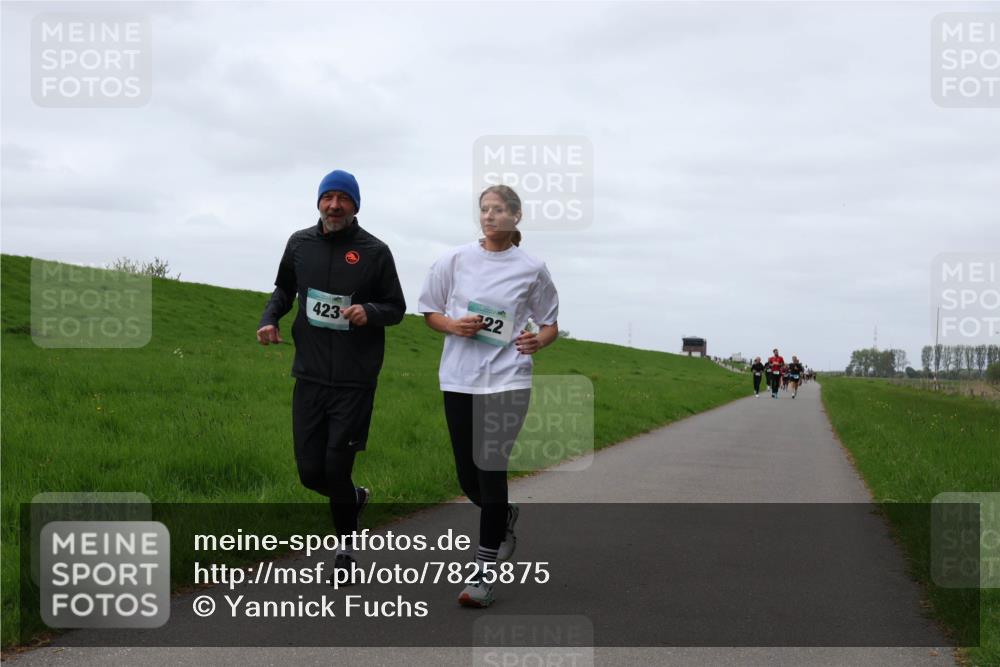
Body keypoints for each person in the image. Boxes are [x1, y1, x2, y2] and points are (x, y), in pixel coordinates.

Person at [257, 169, 406, 579]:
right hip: (309, 376)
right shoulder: (299, 243)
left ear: (356, 205)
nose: (334, 205)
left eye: (343, 198)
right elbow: (284, 290)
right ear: (319, 202)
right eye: (328, 197)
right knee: (310, 473)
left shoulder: (375, 251)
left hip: (355, 381)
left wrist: (369, 312)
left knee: (336, 468)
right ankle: (354, 498)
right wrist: (270, 318)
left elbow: (396, 307)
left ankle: (346, 548)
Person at [418, 184, 559, 608]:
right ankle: (503, 516)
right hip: (460, 378)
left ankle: (481, 577)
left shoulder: (532, 268)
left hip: (508, 380)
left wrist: (540, 341)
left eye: (498, 210)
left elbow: (549, 322)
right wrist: (453, 326)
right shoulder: (454, 259)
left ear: (517, 216)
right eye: (484, 209)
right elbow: (429, 310)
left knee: (490, 467)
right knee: (468, 476)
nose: (489, 216)